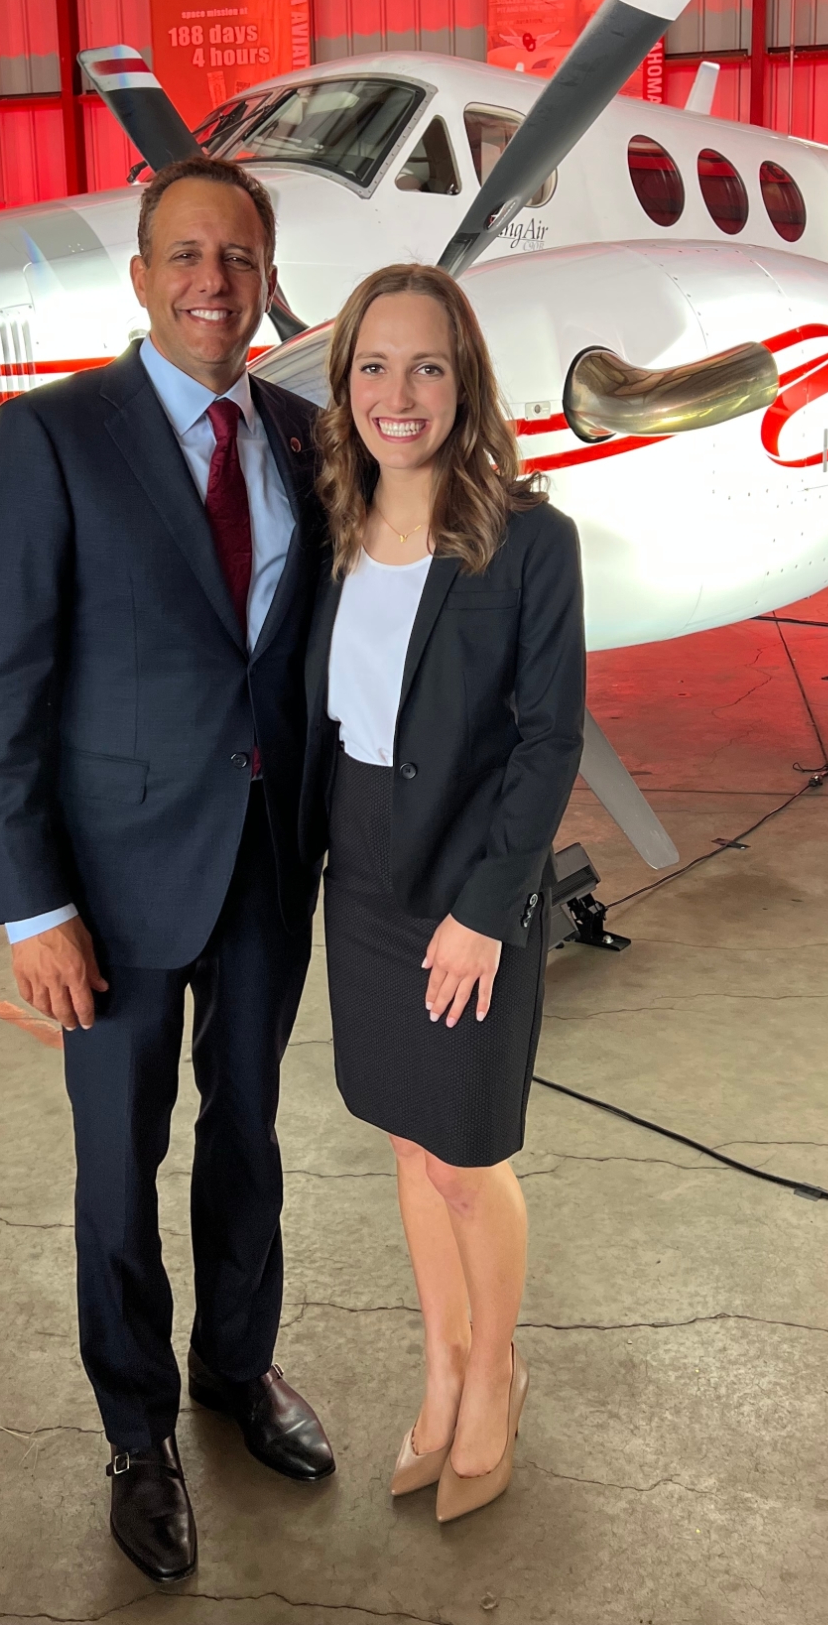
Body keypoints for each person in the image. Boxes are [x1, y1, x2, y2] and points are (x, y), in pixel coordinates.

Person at [0, 155, 334, 1587]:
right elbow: (1, 683)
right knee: (120, 1163)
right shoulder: (53, 435)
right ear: (139, 274)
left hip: (264, 861)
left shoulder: (306, 436)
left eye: (237, 258)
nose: (211, 284)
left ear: (264, 275)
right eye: (185, 255)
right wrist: (31, 901)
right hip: (108, 888)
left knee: (251, 1141)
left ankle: (237, 1372)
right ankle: (137, 1431)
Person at [301, 262, 585, 1523]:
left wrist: (487, 907)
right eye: (373, 364)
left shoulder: (529, 539)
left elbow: (549, 739)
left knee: (468, 1153)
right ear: (344, 381)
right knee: (410, 1140)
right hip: (359, 871)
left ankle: (498, 1369)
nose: (397, 392)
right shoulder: (332, 531)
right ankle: (443, 1357)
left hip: (469, 882)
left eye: (426, 364)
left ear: (465, 381)